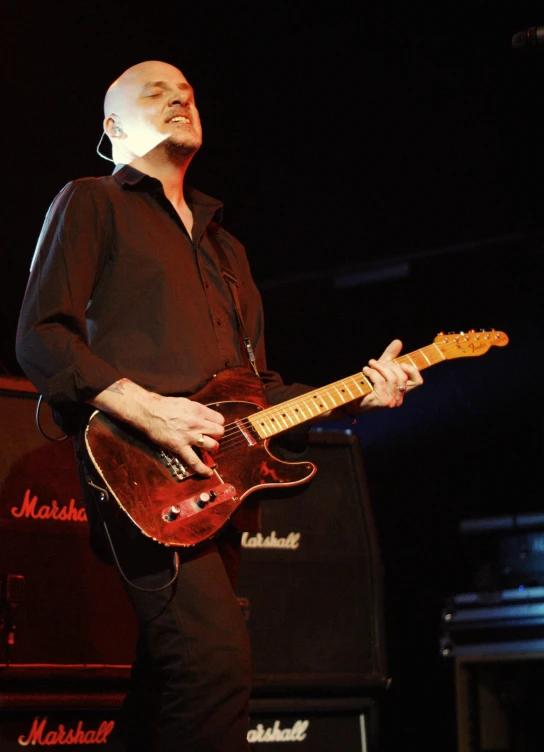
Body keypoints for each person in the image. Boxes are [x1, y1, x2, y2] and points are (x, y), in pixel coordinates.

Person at [15, 60, 423, 752]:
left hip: (217, 486)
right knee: (213, 670)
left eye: (188, 93)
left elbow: (257, 394)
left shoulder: (227, 250)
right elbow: (40, 337)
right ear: (112, 127)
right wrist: (149, 409)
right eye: (157, 92)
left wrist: (362, 388)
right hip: (140, 473)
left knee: (170, 688)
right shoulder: (91, 202)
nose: (180, 98)